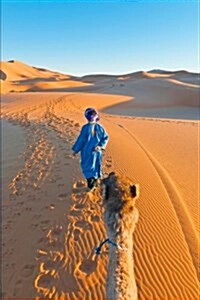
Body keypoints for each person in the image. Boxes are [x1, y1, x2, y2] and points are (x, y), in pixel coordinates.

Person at [72, 107, 109, 190]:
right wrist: (100, 146)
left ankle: (91, 185)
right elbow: (105, 138)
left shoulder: (85, 128)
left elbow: (81, 140)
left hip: (87, 152)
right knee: (95, 167)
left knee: (88, 168)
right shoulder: (100, 127)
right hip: (97, 152)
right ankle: (94, 183)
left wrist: (75, 150)